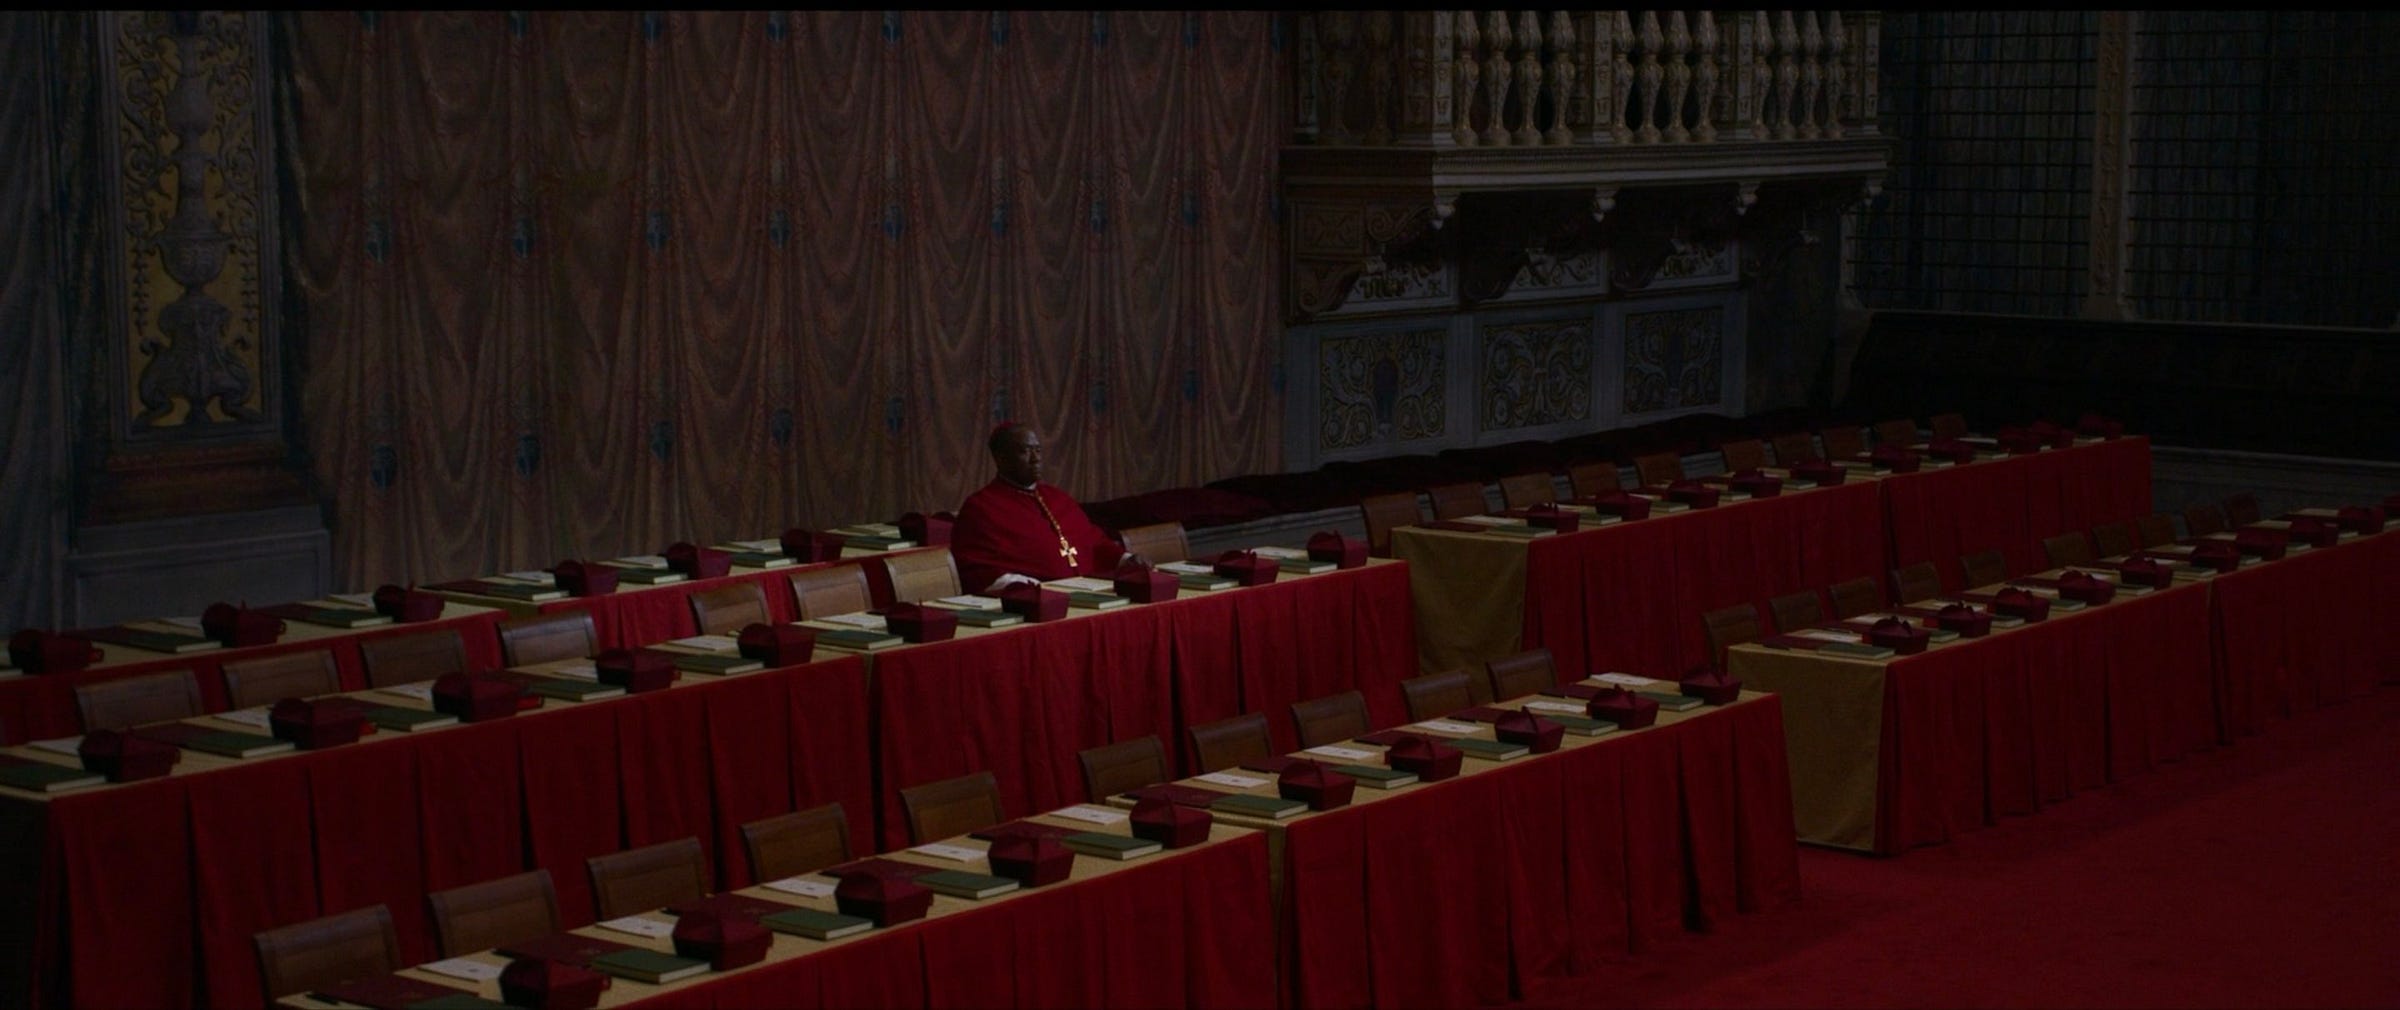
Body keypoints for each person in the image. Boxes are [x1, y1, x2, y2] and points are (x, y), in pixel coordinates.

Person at [951, 422, 1144, 593]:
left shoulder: (1057, 498)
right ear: (1001, 457)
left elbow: (1092, 540)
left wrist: (1125, 559)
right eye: (1025, 451)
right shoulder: (981, 508)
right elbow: (974, 567)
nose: (1036, 458)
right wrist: (1019, 585)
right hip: (1033, 608)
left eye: (1038, 450)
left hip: (1090, 595)